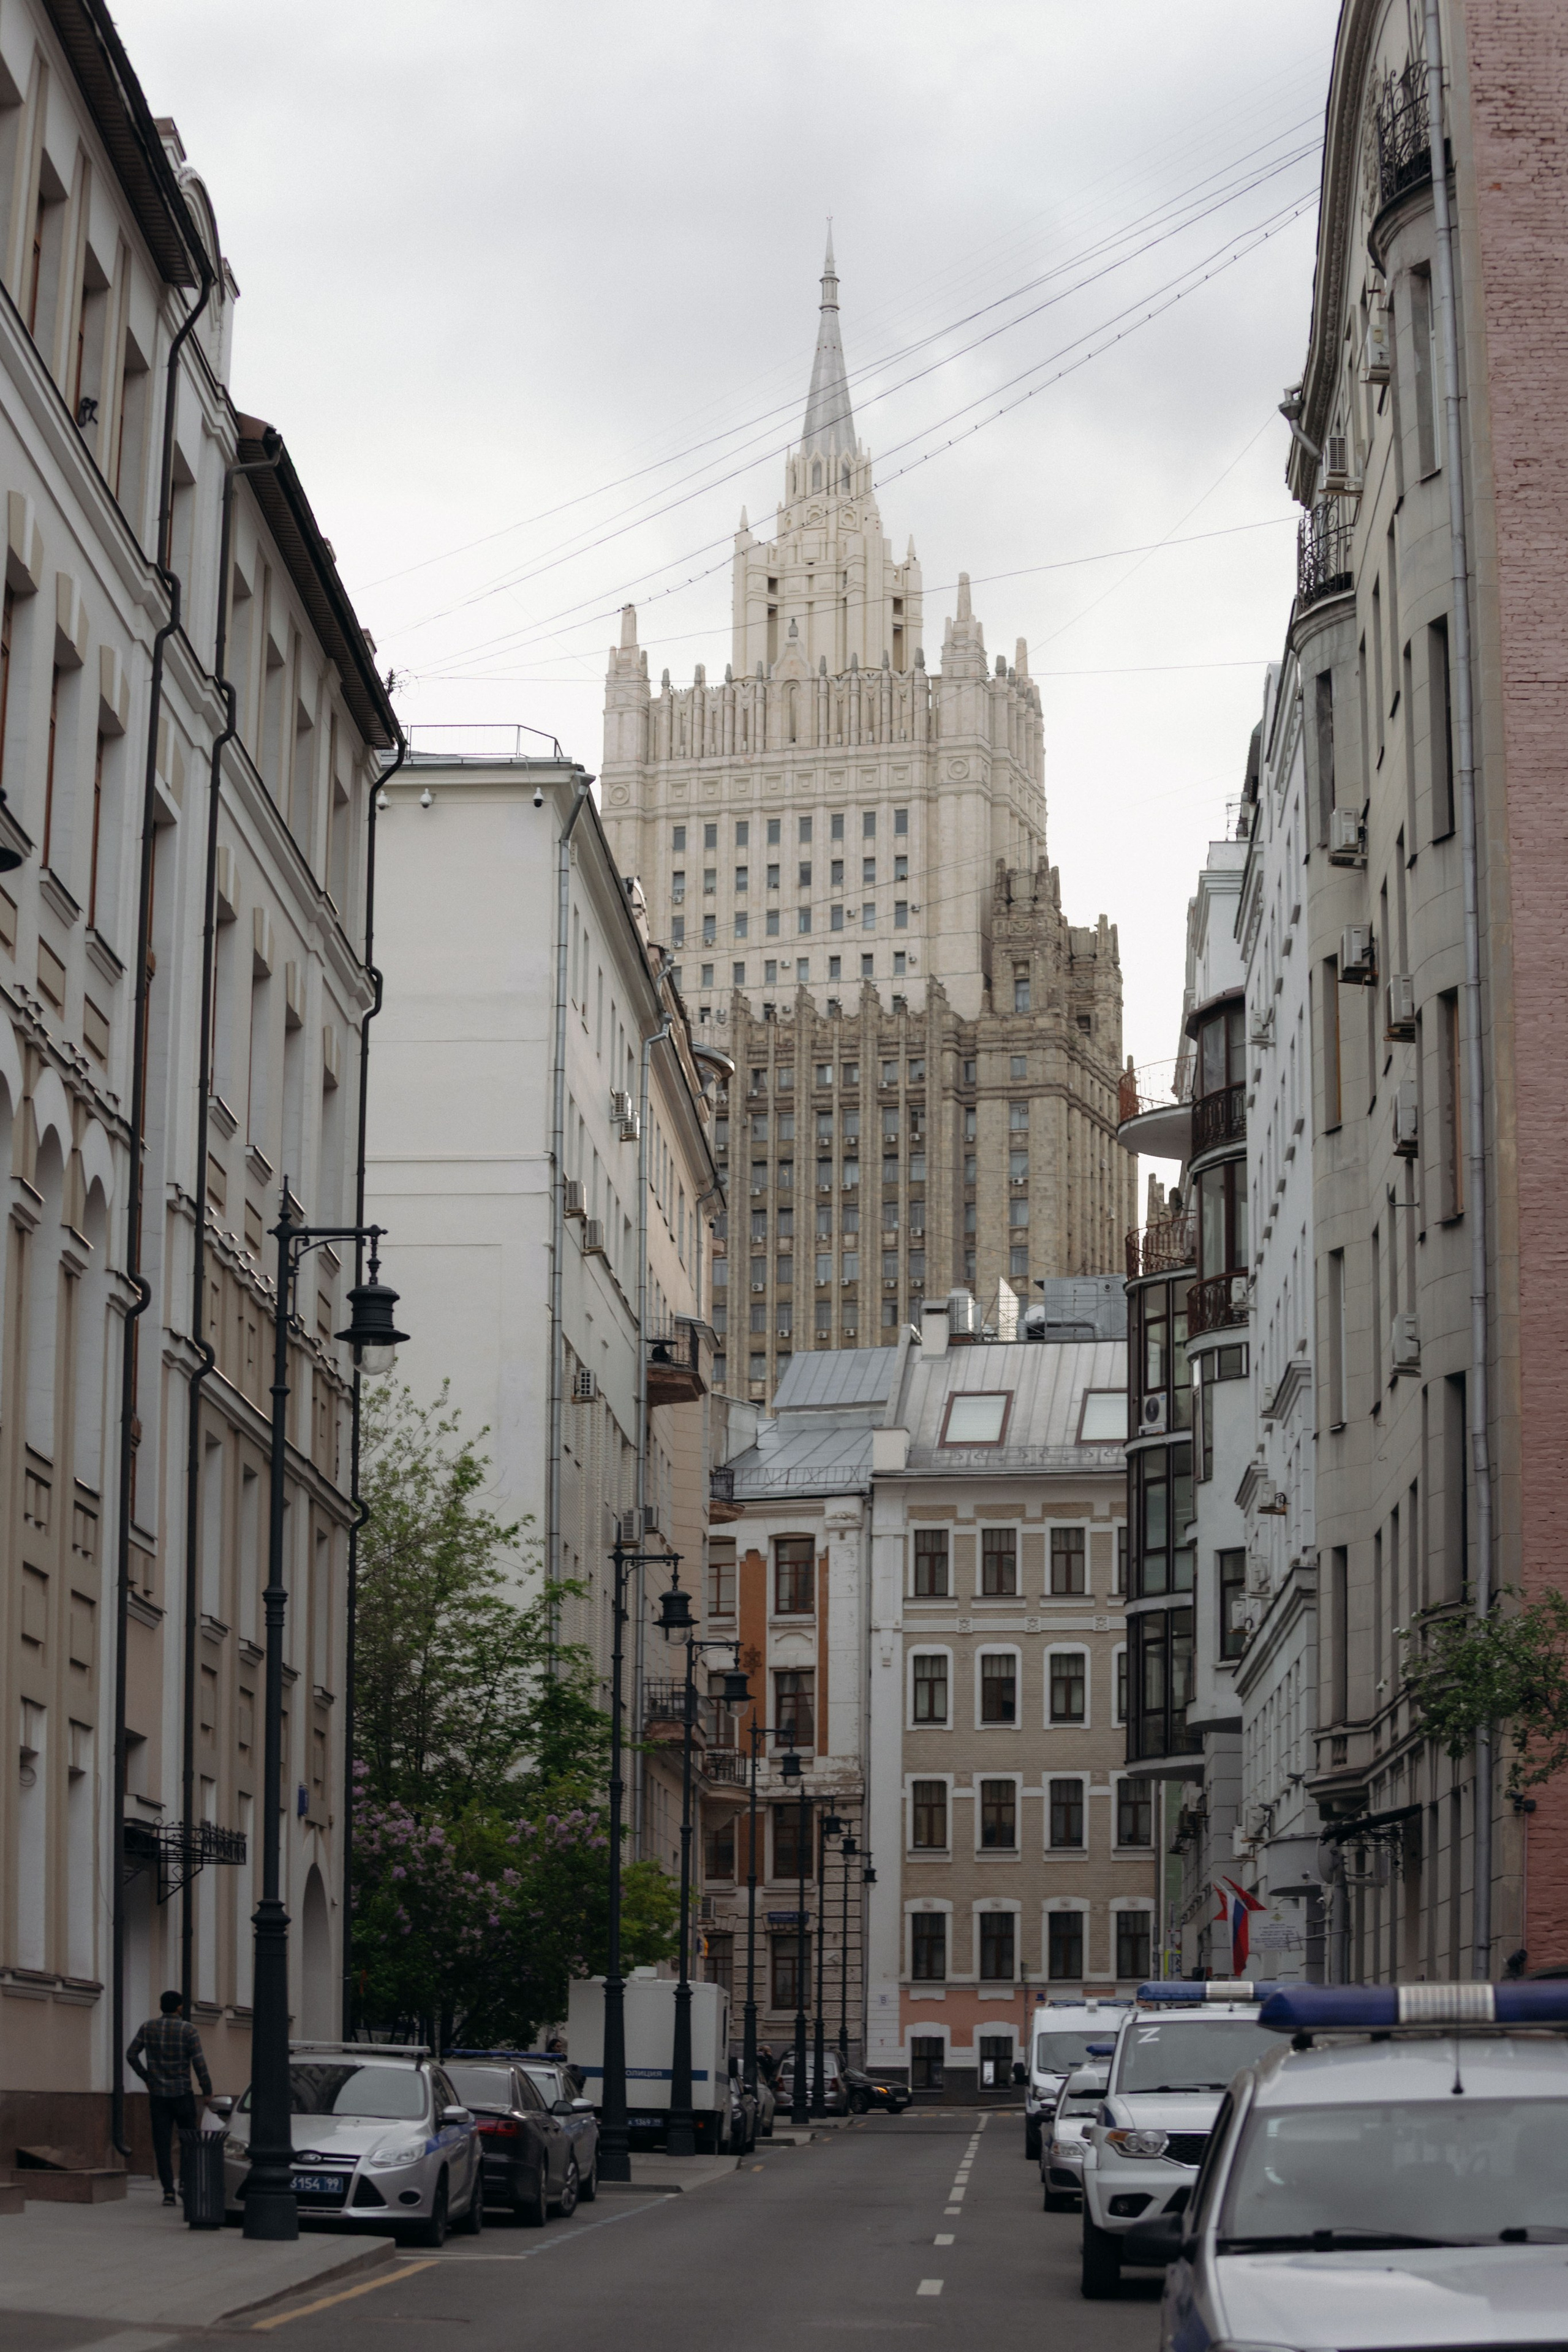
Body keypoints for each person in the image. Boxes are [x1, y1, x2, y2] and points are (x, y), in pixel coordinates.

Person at [128, 1991, 213, 2206]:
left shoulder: (148, 2027)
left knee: (162, 2144)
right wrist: (207, 2090)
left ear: (161, 2006)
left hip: (158, 2096)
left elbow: (131, 2054)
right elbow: (199, 2063)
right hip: (183, 2094)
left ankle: (168, 2192)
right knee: (189, 2142)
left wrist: (146, 2077)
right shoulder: (188, 2029)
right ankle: (185, 2184)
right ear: (179, 2007)